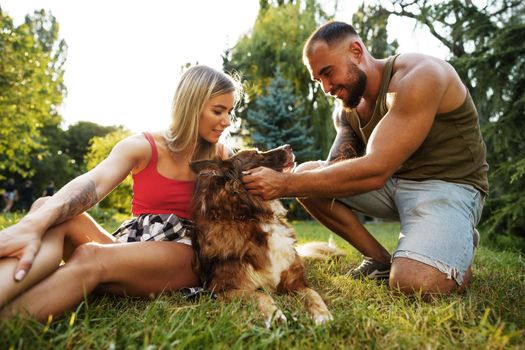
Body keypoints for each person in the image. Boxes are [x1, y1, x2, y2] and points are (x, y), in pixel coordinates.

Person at [242, 21, 488, 297]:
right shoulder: (348, 108)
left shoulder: (420, 76)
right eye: (318, 80)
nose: (325, 87)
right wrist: (291, 180)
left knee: (414, 284)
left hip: (448, 187)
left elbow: (376, 169)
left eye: (327, 72)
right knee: (308, 175)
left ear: (356, 51)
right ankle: (380, 260)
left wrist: (283, 185)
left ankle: (456, 236)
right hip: (396, 184)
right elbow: (334, 172)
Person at [0, 65, 240, 321]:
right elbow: (94, 183)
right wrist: (32, 224)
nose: (227, 121)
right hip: (133, 244)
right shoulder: (141, 146)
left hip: (185, 250)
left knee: (90, 255)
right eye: (218, 111)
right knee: (46, 207)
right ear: (192, 106)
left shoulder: (222, 157)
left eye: (230, 112)